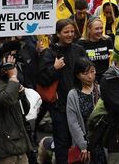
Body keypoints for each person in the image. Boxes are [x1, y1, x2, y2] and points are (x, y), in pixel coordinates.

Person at [36, 18, 88, 164]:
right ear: (58, 33)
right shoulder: (49, 53)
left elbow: (87, 71)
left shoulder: (79, 50)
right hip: (59, 106)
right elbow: (41, 80)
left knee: (82, 139)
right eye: (66, 32)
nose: (70, 34)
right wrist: (54, 68)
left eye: (72, 31)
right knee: (62, 141)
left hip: (79, 103)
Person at [0, 50, 33, 163]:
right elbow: (6, 99)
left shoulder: (8, 81)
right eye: (9, 62)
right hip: (3, 149)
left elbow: (25, 110)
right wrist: (13, 77)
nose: (12, 66)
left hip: (18, 145)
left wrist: (21, 94)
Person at [66, 58, 106, 164]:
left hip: (102, 141)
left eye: (92, 72)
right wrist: (83, 145)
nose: (90, 76)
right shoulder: (73, 95)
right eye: (85, 73)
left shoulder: (101, 90)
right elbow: (73, 123)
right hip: (84, 143)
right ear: (78, 75)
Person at [78, 15, 113, 80]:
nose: (100, 31)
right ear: (89, 29)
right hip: (89, 79)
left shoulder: (107, 40)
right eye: (97, 29)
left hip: (106, 79)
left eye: (101, 28)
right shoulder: (81, 43)